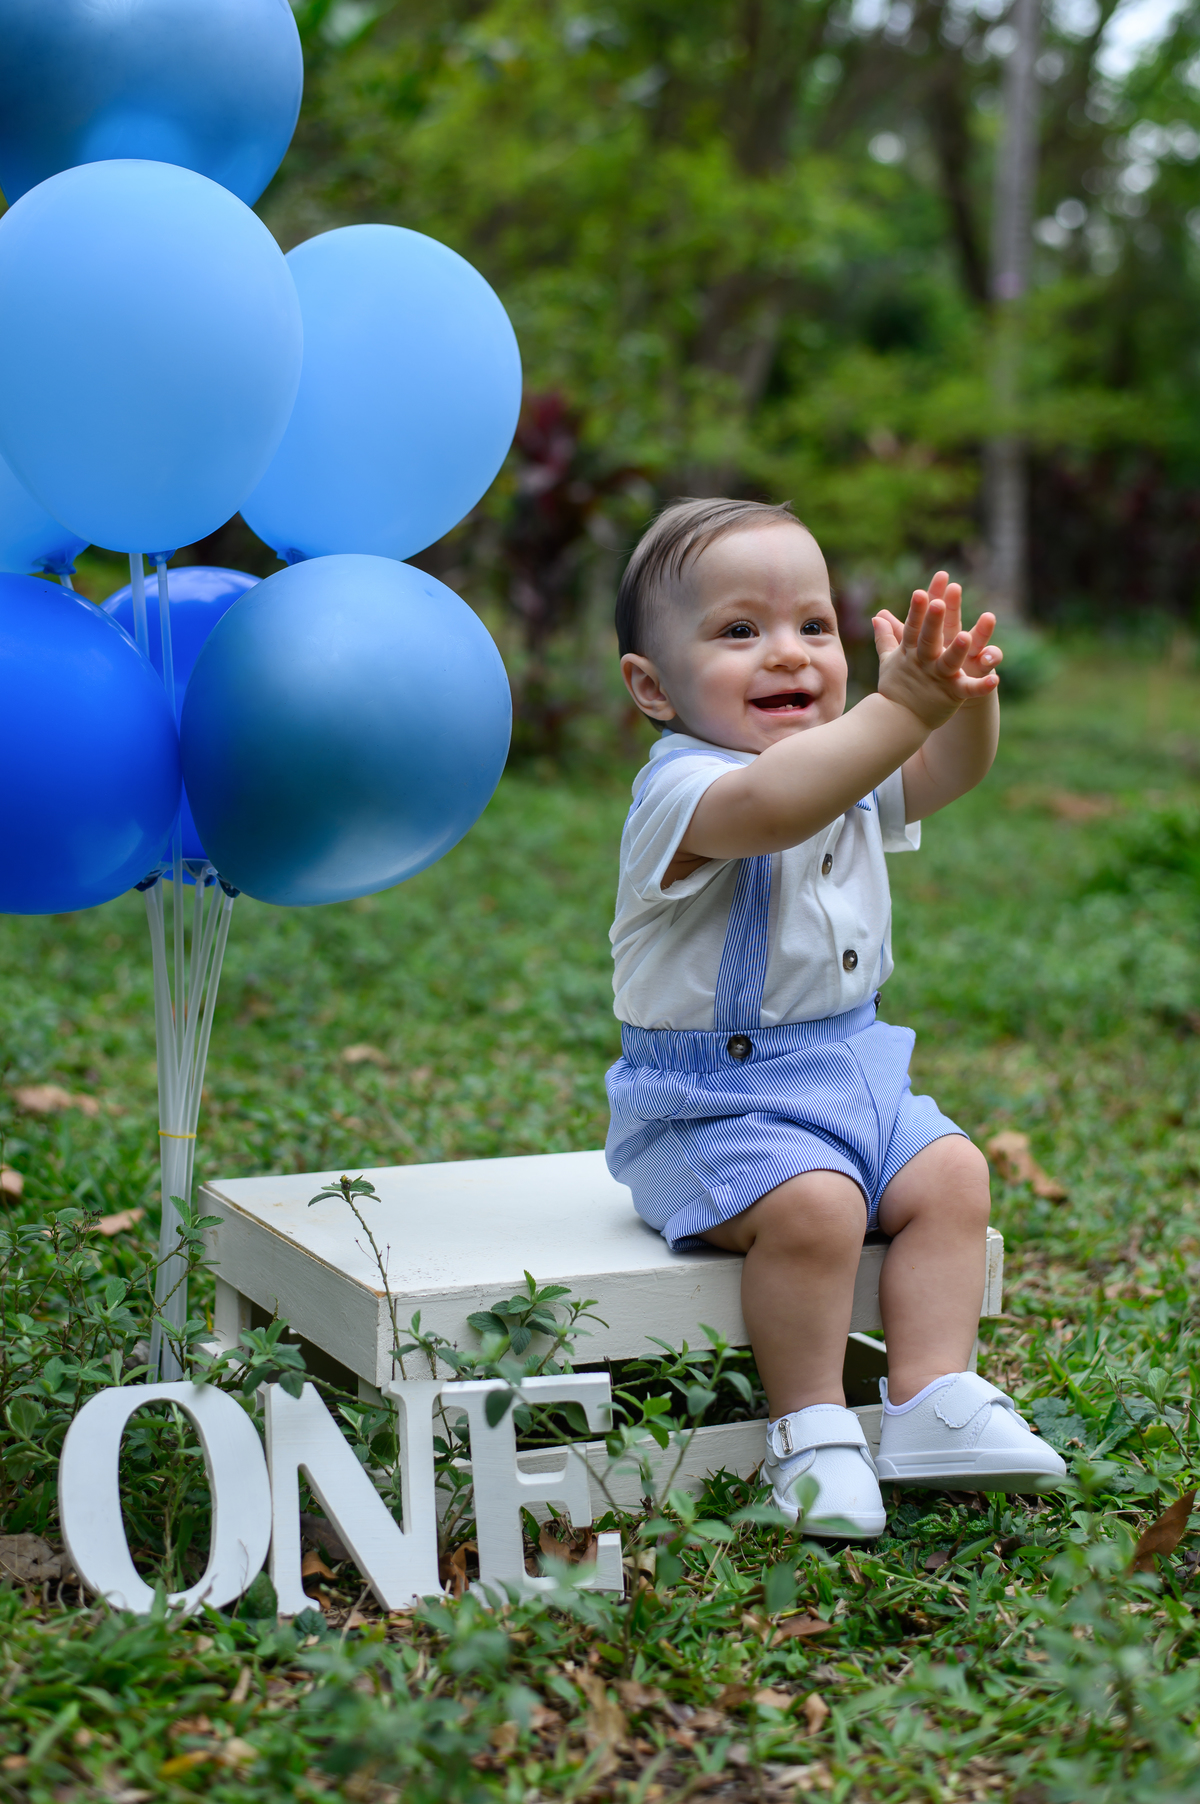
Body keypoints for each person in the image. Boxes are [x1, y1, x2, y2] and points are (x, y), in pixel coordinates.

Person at [605, 498, 1066, 1539]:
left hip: (857, 1072)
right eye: (739, 631)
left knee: (955, 1174)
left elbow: (940, 774)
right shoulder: (682, 794)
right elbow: (781, 805)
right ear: (651, 685)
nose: (789, 654)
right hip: (712, 1106)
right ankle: (809, 1429)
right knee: (816, 1208)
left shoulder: (846, 763)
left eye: (814, 626)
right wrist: (895, 711)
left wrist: (959, 701)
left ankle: (928, 1398)